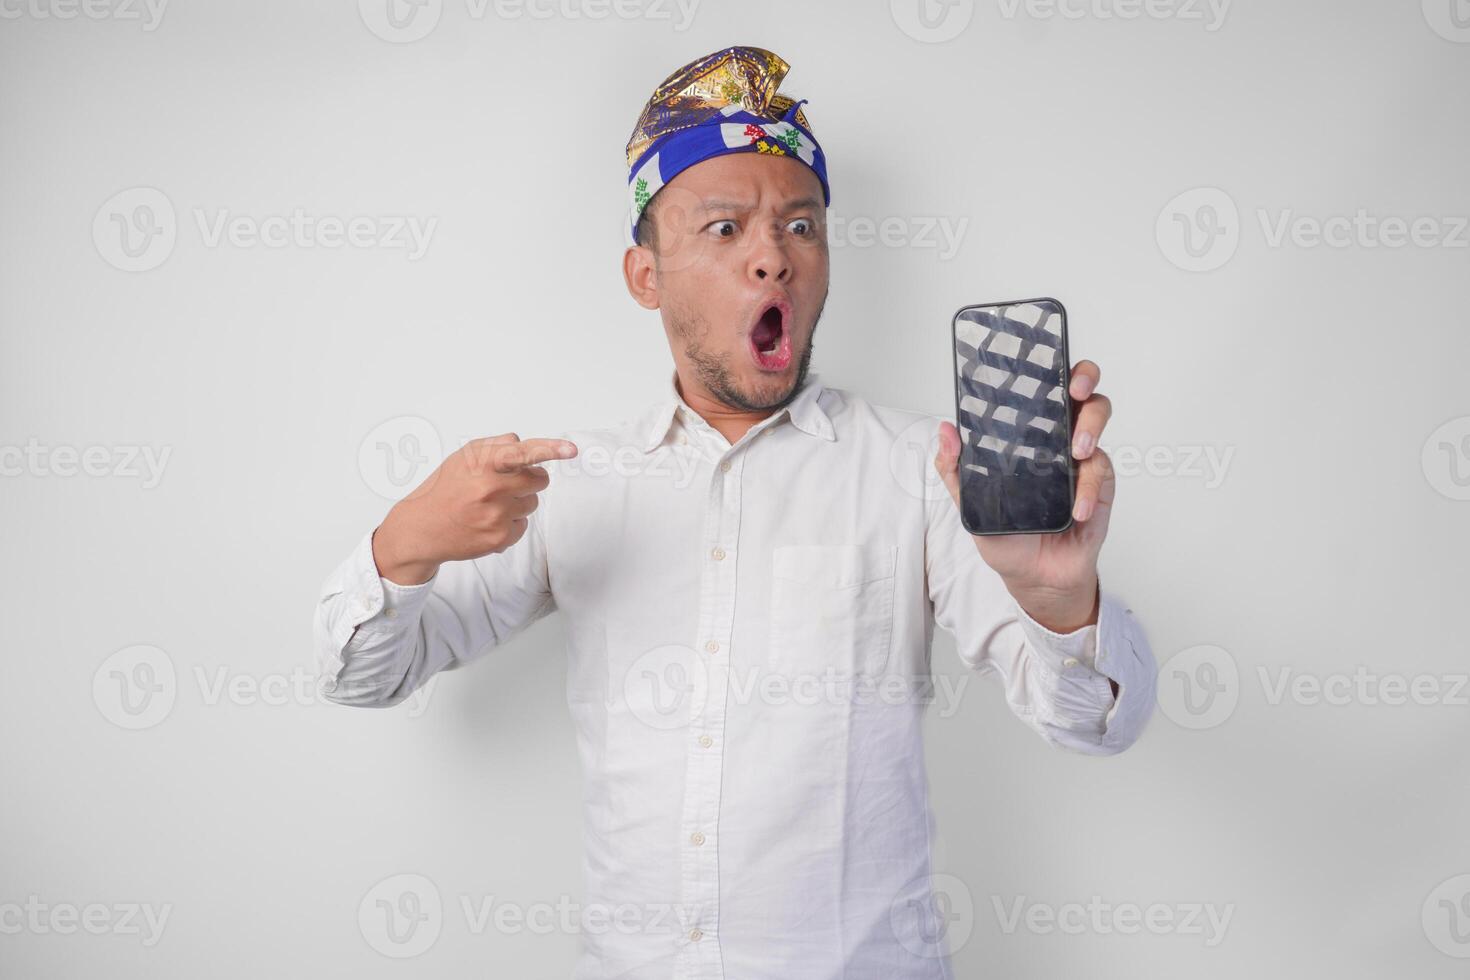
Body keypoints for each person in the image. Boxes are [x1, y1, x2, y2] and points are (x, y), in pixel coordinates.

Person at [313, 44, 1156, 979]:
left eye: (801, 227)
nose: (773, 258)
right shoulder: (575, 480)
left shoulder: (926, 472)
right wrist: (406, 548)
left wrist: (1061, 601)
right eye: (724, 230)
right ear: (646, 277)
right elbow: (361, 678)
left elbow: (1095, 723)